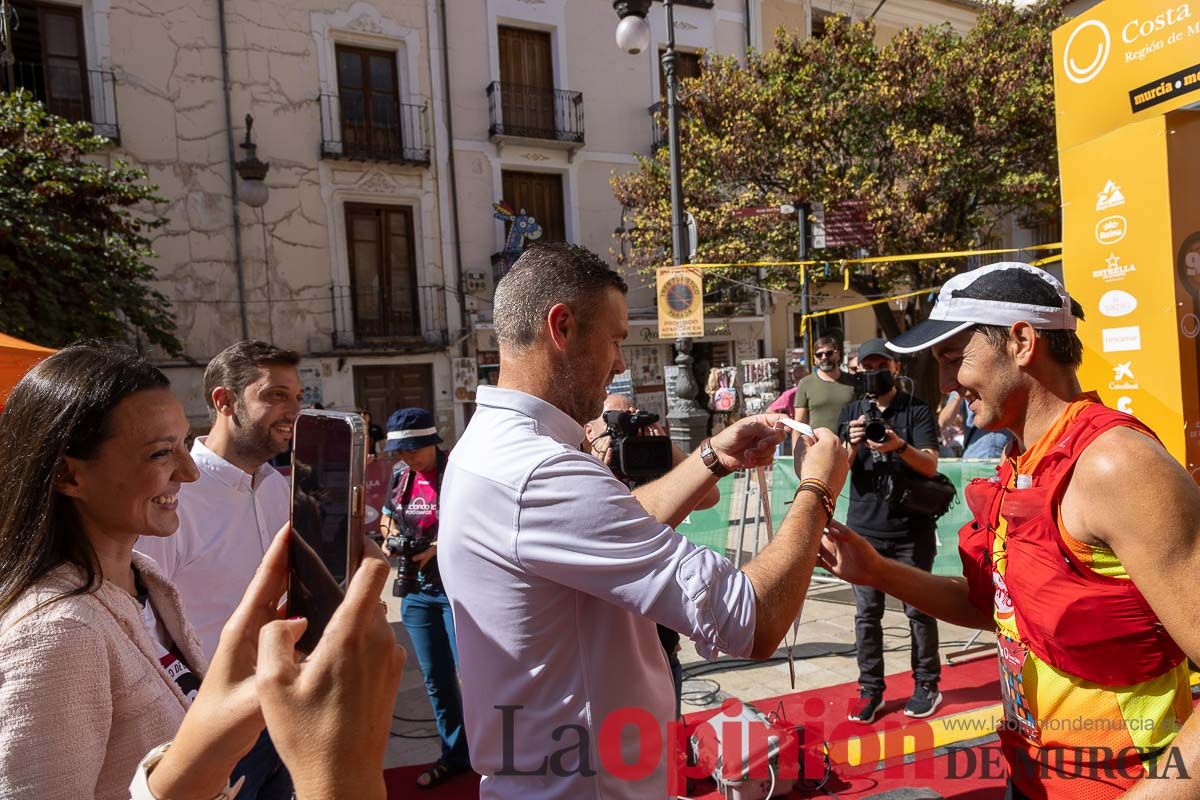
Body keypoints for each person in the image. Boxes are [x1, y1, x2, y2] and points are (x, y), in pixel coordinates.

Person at [438, 242, 850, 799]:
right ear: (562, 328)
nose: (620, 364)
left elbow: (615, 527)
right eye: (614, 340)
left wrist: (713, 458)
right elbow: (750, 618)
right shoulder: (538, 472)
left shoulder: (491, 449)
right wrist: (819, 486)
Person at [818, 263, 1200, 799]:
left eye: (955, 360)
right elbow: (998, 610)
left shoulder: (1115, 464)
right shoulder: (1021, 462)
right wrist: (875, 570)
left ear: (1022, 342)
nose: (947, 383)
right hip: (1028, 780)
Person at [0, 341, 406, 800]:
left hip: (263, 717)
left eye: (181, 444)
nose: (188, 473)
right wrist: (339, 776)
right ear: (69, 476)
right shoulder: (57, 634)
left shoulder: (143, 576)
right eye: (160, 453)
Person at [136, 340, 301, 799]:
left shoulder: (276, 485)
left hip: (279, 709)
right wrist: (196, 724)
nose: (293, 411)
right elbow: (143, 626)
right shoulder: (173, 495)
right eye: (275, 396)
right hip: (212, 728)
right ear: (224, 401)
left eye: (297, 397)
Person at [582, 393, 721, 719]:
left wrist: (667, 448)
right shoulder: (578, 467)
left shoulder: (651, 462)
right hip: (606, 643)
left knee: (667, 744)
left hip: (658, 636)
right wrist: (601, 463)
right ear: (589, 430)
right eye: (616, 418)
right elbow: (599, 522)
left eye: (632, 414)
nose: (626, 424)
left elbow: (710, 495)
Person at [835, 338, 942, 722]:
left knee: (919, 610)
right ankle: (871, 690)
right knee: (867, 615)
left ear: (895, 367)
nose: (873, 372)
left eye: (881, 365)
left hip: (910, 529)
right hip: (863, 530)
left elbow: (930, 465)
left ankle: (927, 684)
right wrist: (852, 443)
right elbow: (839, 471)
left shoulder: (916, 410)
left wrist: (897, 446)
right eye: (867, 367)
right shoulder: (851, 413)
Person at [378, 407, 470, 789]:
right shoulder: (401, 476)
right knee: (436, 679)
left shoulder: (457, 472)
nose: (406, 457)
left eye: (412, 449)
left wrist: (436, 546)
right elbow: (386, 514)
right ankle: (454, 754)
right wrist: (388, 535)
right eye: (400, 451)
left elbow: (476, 522)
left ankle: (493, 751)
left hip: (456, 591)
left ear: (432, 442)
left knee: (473, 676)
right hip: (416, 592)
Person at [793, 335, 857, 451]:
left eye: (829, 353)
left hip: (849, 449)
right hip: (817, 450)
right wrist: (796, 455)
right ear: (814, 358)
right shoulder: (805, 383)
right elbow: (799, 424)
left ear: (837, 354)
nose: (824, 357)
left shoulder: (853, 382)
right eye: (819, 354)